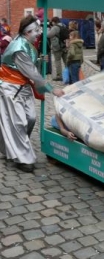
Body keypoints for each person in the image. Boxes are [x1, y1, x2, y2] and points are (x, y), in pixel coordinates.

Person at [0, 15, 64, 172]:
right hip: (11, 88)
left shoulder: (28, 44)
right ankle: (24, 159)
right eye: (36, 30)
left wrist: (41, 60)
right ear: (27, 32)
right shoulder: (19, 48)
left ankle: (13, 144)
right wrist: (51, 89)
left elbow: (31, 66)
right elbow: (32, 73)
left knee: (31, 118)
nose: (39, 33)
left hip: (24, 87)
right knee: (18, 122)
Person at [47, 16, 68, 81]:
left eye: (52, 22)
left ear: (54, 22)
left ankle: (59, 76)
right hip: (64, 46)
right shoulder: (64, 25)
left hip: (57, 47)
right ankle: (69, 73)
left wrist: (48, 29)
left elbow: (48, 35)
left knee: (58, 61)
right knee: (66, 61)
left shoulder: (55, 27)